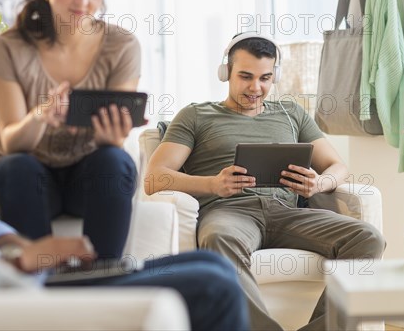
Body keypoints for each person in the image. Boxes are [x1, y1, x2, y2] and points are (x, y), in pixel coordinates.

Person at [0, 26, 249, 331]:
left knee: (210, 261)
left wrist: (22, 244)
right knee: (213, 285)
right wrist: (18, 261)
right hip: (14, 299)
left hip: (29, 275)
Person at [144, 32, 386, 331]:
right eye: (245, 76)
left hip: (287, 213)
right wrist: (212, 184)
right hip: (228, 212)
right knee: (219, 238)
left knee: (368, 238)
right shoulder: (196, 115)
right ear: (226, 72)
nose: (256, 87)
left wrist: (318, 184)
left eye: (265, 78)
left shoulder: (292, 114)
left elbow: (338, 166)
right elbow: (155, 178)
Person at [0, 0, 141, 260]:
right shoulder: (8, 47)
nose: (81, 1)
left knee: (114, 160)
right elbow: (12, 141)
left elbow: (115, 137)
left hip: (88, 175)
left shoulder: (122, 45)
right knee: (17, 167)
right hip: (32, 176)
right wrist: (40, 115)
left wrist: (110, 138)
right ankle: (38, 280)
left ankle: (103, 277)